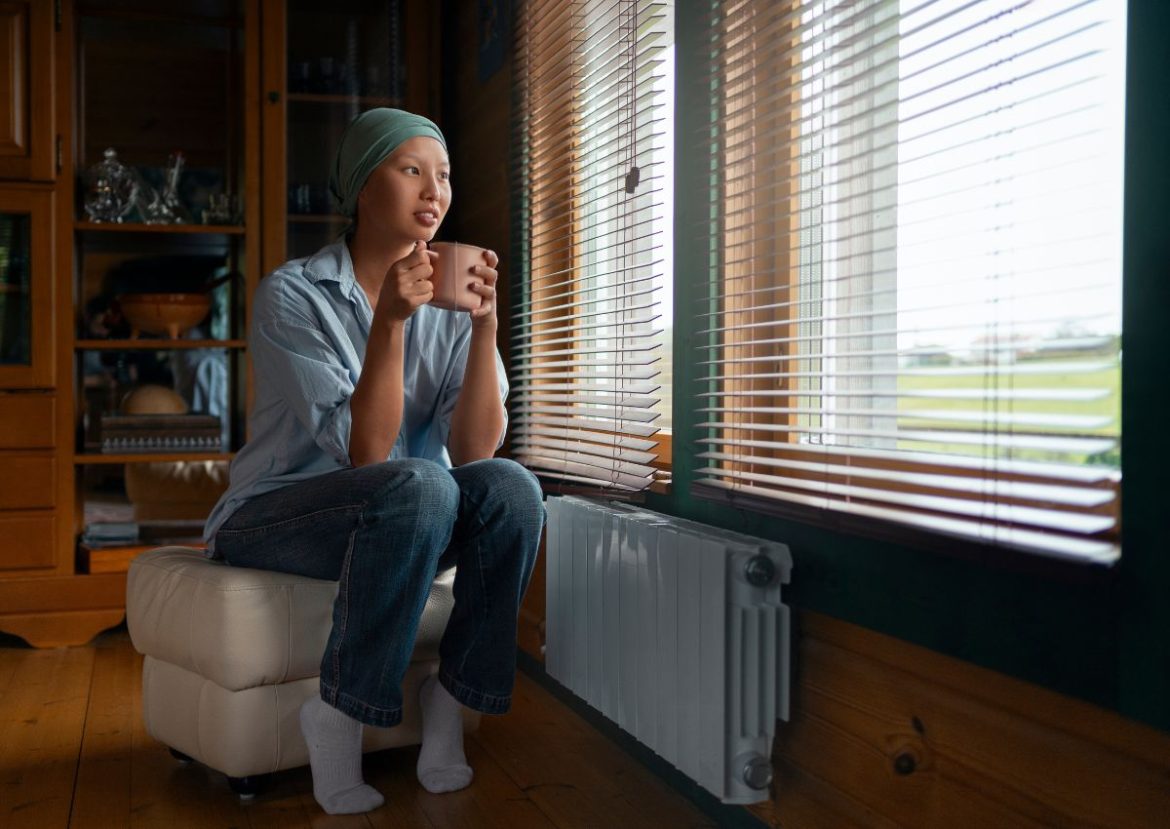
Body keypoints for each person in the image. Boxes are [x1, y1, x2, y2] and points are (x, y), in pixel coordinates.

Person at [202, 108, 544, 815]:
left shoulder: (448, 302)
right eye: (411, 169)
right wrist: (388, 323)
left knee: (511, 486)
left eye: (443, 174)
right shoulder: (292, 295)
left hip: (408, 512)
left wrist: (483, 329)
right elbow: (365, 455)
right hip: (279, 514)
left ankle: (450, 698)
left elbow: (479, 452)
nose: (435, 190)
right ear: (363, 186)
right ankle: (340, 712)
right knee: (417, 479)